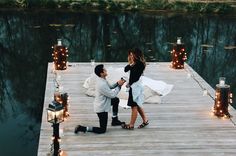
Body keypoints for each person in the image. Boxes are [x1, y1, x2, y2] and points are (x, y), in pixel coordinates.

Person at [74, 64, 125, 134]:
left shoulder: (102, 79)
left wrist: (117, 83)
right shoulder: (102, 84)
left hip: (104, 102)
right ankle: (82, 128)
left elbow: (110, 86)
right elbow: (112, 95)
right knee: (102, 130)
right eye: (104, 70)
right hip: (101, 108)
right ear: (101, 73)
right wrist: (119, 86)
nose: (106, 70)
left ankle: (114, 120)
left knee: (116, 100)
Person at [122, 48, 149, 130]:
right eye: (130, 55)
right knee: (137, 104)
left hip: (135, 87)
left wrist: (129, 83)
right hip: (133, 86)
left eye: (132, 54)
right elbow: (125, 69)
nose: (130, 56)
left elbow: (136, 77)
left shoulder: (140, 64)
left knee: (134, 106)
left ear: (136, 55)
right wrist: (131, 63)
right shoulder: (134, 63)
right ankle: (145, 120)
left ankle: (131, 125)